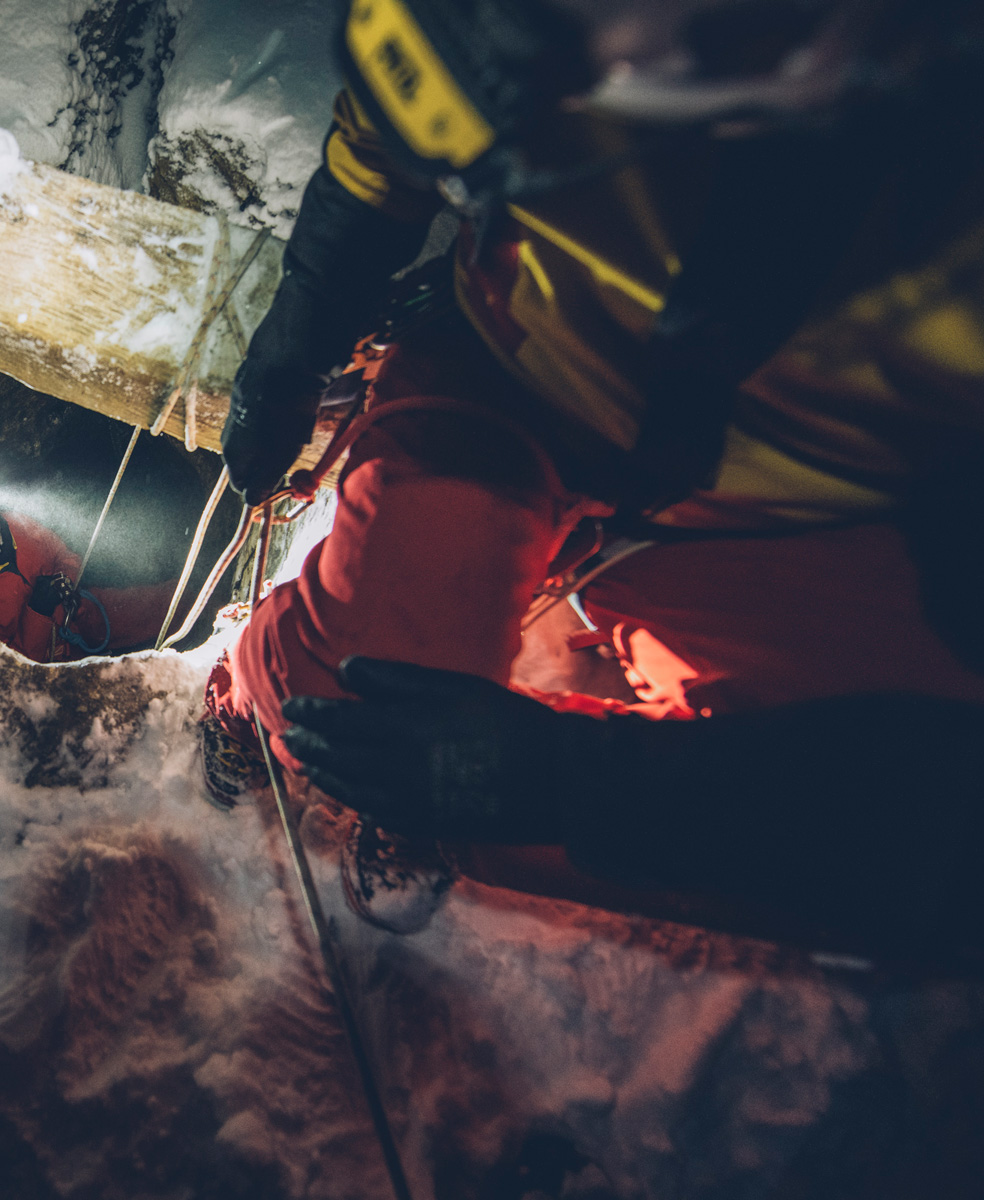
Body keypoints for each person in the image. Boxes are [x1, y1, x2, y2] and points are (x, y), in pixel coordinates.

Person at [209, 0, 984, 954]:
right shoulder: (493, 28)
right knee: (355, 707)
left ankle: (567, 711)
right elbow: (381, 154)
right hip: (519, 382)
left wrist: (584, 783)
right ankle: (268, 669)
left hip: (798, 507)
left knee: (848, 848)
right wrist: (288, 360)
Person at [0, 462, 169, 662]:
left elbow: (64, 554)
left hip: (78, 615)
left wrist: (65, 581)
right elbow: (7, 675)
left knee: (166, 605)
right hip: (48, 672)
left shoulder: (15, 525)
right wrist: (38, 612)